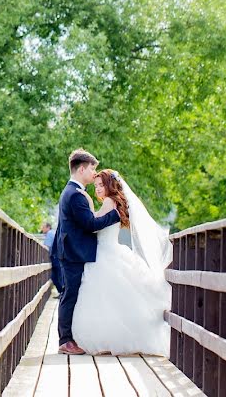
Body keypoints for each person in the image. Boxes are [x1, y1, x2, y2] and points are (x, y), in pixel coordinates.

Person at [71, 168, 172, 356]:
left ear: (110, 186)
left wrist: (87, 209)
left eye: (101, 185)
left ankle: (106, 339)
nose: (98, 189)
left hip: (105, 252)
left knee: (103, 296)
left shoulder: (109, 202)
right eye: (96, 186)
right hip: (107, 250)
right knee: (111, 297)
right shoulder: (113, 203)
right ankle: (111, 339)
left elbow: (93, 226)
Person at [54, 149, 121, 356]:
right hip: (74, 253)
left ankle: (71, 337)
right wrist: (115, 216)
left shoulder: (74, 192)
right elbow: (90, 224)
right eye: (92, 168)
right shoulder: (75, 195)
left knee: (72, 295)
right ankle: (65, 341)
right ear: (81, 168)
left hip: (73, 251)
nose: (94, 172)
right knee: (70, 295)